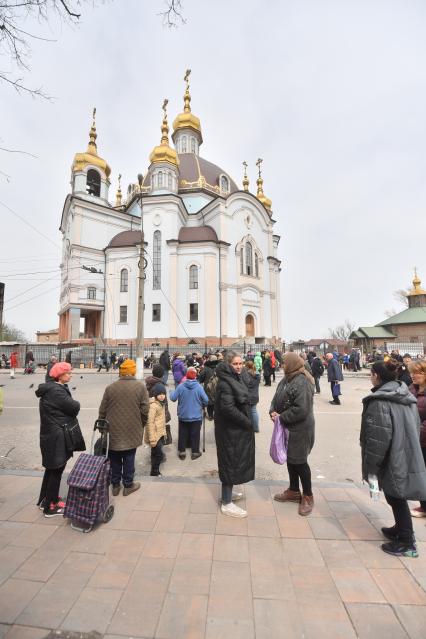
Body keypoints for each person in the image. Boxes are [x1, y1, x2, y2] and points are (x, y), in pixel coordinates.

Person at [360, 359, 426, 557]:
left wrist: (371, 467)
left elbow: (377, 439)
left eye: (371, 373)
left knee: (396, 496)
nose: (370, 377)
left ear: (377, 376)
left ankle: (408, 542)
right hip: (404, 451)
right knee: (394, 494)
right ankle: (400, 528)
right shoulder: (405, 394)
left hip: (391, 456)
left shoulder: (380, 401)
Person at [271, 353, 316, 516]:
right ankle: (294, 490)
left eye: (283, 363)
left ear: (291, 364)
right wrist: (273, 411)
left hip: (301, 428)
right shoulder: (287, 379)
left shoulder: (302, 381)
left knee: (300, 462)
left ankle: (308, 495)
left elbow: (301, 409)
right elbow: (276, 397)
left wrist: (281, 417)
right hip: (288, 427)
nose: (281, 366)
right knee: (291, 459)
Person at [98, 359, 149, 496]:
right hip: (132, 429)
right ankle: (128, 484)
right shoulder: (140, 387)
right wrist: (142, 423)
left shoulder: (110, 388)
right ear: (132, 371)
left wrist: (102, 427)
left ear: (121, 372)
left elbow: (102, 410)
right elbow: (145, 410)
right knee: (129, 457)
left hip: (112, 430)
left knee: (114, 458)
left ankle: (115, 485)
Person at [35, 362, 80, 517]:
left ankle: (45, 500)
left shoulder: (51, 389)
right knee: (57, 469)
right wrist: (75, 402)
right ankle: (50, 507)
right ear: (60, 375)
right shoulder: (57, 391)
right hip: (57, 435)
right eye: (68, 373)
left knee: (51, 468)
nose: (71, 375)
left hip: (50, 434)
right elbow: (74, 407)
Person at [214, 351, 254, 518]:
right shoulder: (225, 382)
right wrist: (246, 421)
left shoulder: (235, 378)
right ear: (228, 365)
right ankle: (227, 503)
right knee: (230, 462)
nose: (239, 367)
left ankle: (227, 496)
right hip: (229, 430)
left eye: (240, 364)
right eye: (235, 364)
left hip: (233, 430)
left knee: (233, 461)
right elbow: (227, 408)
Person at [170, 367, 208, 460]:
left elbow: (173, 398)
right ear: (195, 376)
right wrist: (201, 403)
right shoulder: (199, 387)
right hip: (196, 416)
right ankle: (195, 452)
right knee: (195, 433)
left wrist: (171, 392)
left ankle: (182, 452)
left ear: (186, 376)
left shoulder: (181, 386)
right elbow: (206, 400)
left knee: (182, 433)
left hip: (183, 415)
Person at [408, 359, 426, 518]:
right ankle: (424, 505)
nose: (413, 375)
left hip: (423, 439)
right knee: (419, 473)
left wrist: (415, 431)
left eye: (417, 372)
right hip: (414, 438)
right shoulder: (411, 389)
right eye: (412, 372)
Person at [145, 364, 172, 445]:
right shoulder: (159, 385)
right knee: (158, 434)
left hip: (152, 410)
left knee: (153, 430)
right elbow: (164, 402)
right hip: (159, 412)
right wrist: (166, 415)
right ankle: (157, 454)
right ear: (162, 374)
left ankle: (155, 450)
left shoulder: (150, 382)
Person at [145, 382, 167, 477]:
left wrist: (164, 433)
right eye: (160, 394)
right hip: (155, 435)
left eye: (163, 394)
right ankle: (155, 471)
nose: (162, 396)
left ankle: (153, 471)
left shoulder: (161, 404)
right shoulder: (154, 406)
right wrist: (152, 438)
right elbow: (150, 423)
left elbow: (161, 421)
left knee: (155, 453)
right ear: (155, 395)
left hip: (160, 433)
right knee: (159, 455)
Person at [198, 354, 218, 420]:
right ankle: (216, 415)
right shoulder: (219, 367)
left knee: (210, 401)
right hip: (218, 387)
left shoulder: (206, 368)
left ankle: (210, 415)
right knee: (217, 400)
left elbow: (201, 378)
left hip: (208, 387)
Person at [243, 360, 261, 432]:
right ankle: (256, 428)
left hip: (248, 395)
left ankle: (250, 427)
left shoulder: (246, 375)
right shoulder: (257, 374)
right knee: (254, 411)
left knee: (250, 411)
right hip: (255, 395)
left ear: (247, 366)